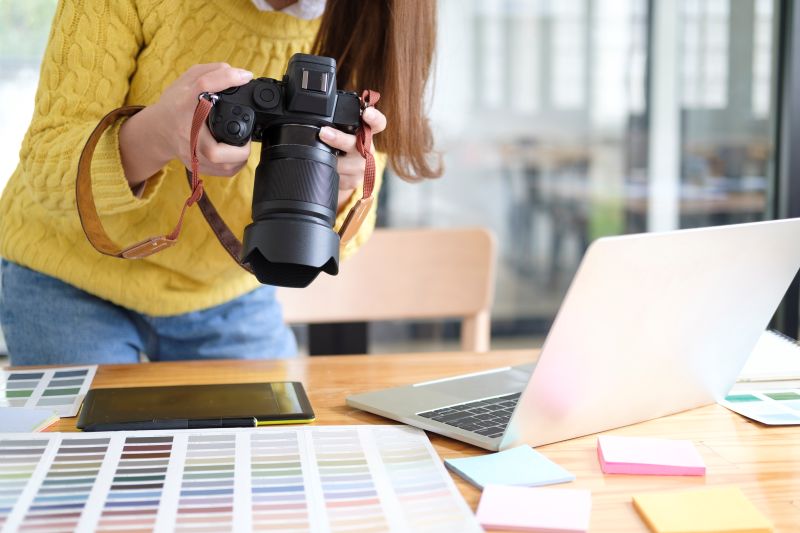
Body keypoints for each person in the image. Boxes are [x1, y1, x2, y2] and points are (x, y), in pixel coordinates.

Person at [0, 0, 440, 365]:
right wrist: (157, 135)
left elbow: (351, 232)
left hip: (229, 292)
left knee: (273, 457)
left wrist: (343, 184)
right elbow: (45, 167)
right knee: (93, 464)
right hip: (68, 277)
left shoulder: (375, 16)